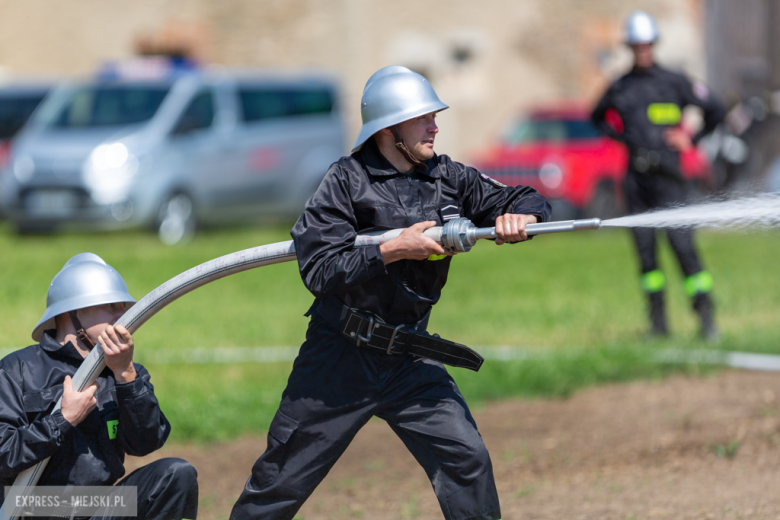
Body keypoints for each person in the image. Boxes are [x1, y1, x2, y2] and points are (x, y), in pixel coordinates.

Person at [231, 66, 551, 520]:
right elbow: (319, 270)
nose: (435, 126)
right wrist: (392, 250)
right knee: (278, 484)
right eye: (423, 118)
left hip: (409, 358)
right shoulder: (345, 181)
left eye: (434, 117)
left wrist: (525, 218)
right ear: (389, 127)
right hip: (339, 358)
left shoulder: (449, 177)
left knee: (467, 460)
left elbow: (523, 198)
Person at [0, 253, 198, 520]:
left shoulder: (126, 371)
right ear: (74, 311)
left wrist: (126, 375)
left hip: (102, 508)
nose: (125, 315)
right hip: (36, 509)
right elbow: (3, 454)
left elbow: (146, 443)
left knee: (176, 474)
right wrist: (61, 420)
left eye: (124, 306)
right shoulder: (17, 370)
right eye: (112, 306)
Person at [591, 10, 725, 340]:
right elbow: (595, 116)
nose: (642, 51)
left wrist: (689, 139)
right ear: (630, 48)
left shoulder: (674, 82)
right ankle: (658, 325)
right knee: (647, 255)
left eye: (647, 45)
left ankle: (706, 316)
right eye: (636, 46)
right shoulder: (620, 86)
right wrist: (622, 139)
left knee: (683, 247)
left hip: (670, 180)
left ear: (654, 45)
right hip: (637, 182)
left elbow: (716, 111)